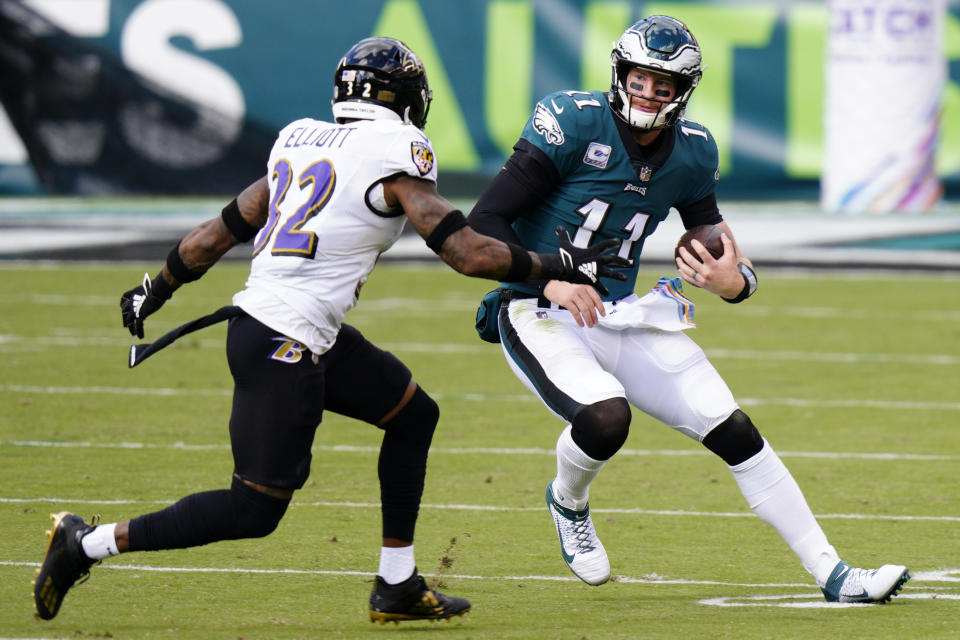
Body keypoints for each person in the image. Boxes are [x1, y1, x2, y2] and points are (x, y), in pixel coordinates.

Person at [31, 37, 628, 625]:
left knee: (414, 414)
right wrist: (554, 266)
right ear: (407, 100)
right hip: (279, 339)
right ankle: (85, 544)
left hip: (293, 329)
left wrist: (156, 287)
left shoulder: (299, 139)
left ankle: (396, 583)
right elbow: (466, 253)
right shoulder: (398, 149)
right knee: (254, 509)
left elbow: (223, 228)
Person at [467, 15, 910, 604]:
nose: (648, 94)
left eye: (664, 85)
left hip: (620, 311)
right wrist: (548, 281)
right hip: (535, 308)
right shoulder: (572, 122)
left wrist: (734, 282)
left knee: (733, 428)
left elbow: (725, 253)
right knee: (605, 418)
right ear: (620, 75)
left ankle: (834, 573)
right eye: (640, 79)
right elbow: (482, 226)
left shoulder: (693, 152)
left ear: (684, 91)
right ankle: (568, 500)